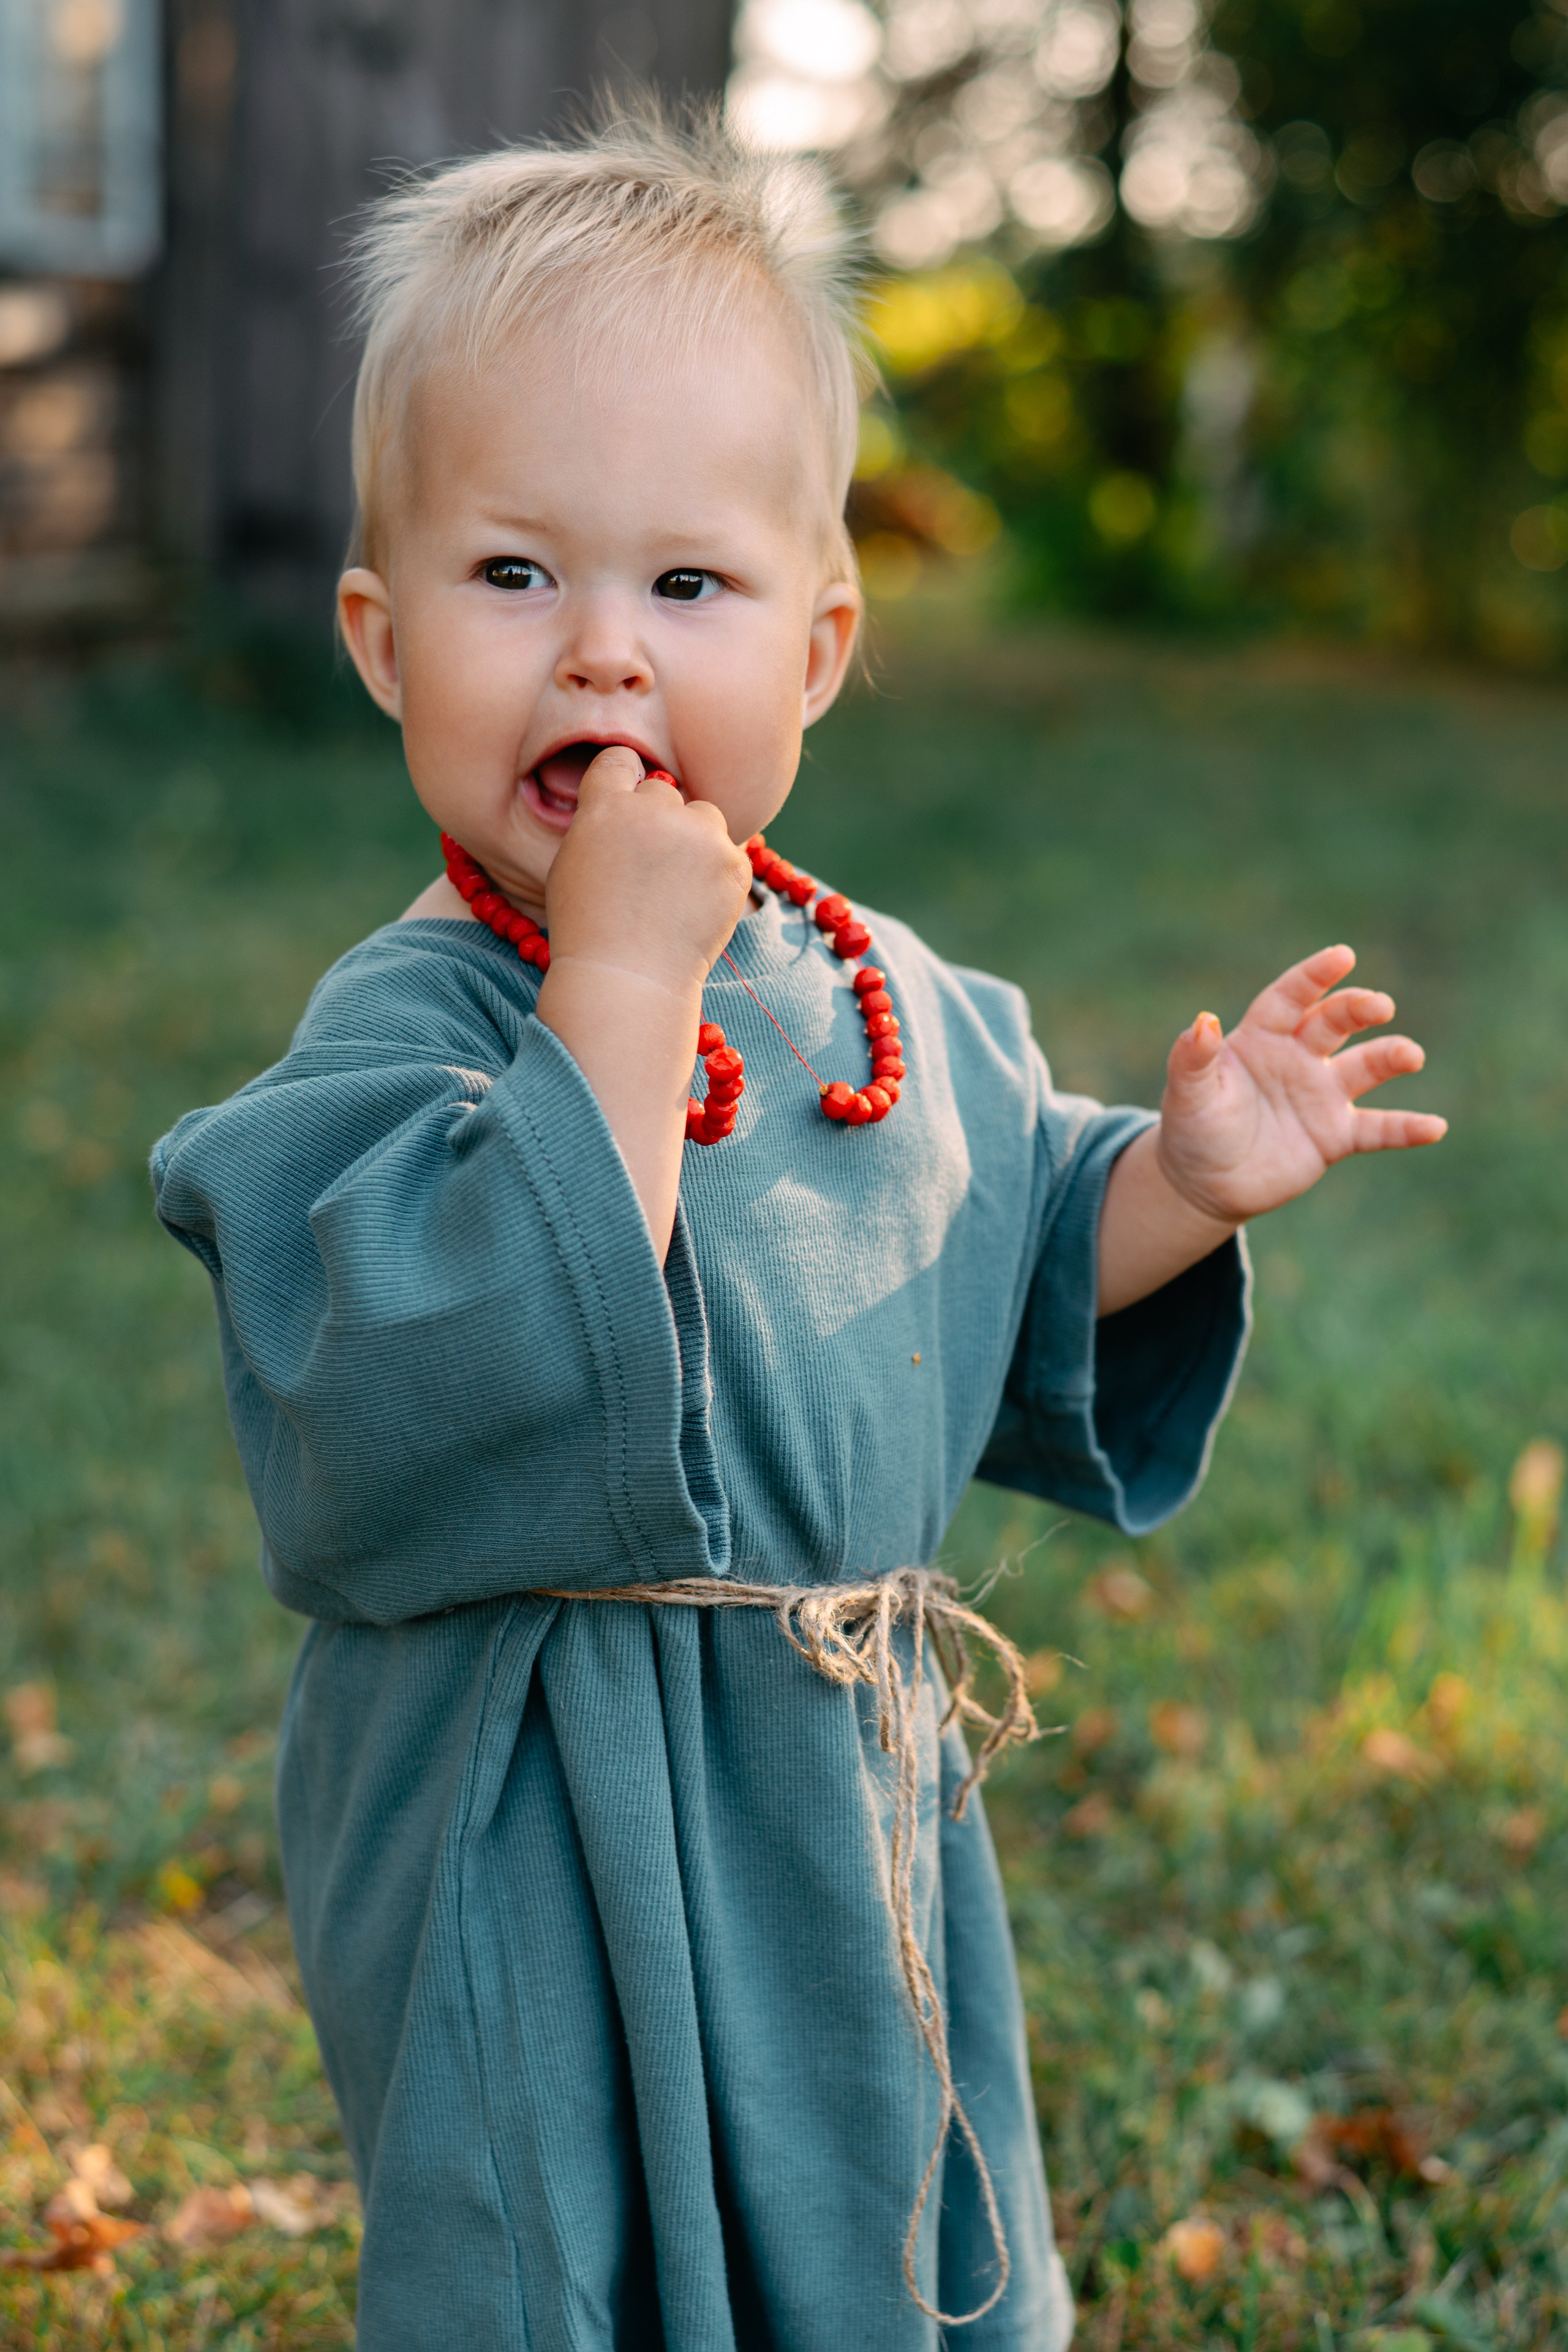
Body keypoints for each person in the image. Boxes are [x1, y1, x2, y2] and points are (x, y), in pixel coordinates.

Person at [149, 105, 1445, 2352]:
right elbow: (381, 1385)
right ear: (381, 638)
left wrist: (1169, 1184)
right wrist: (621, 992)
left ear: (821, 648)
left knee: (870, 2186)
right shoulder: (410, 1028)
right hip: (527, 1797)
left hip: (836, 1791)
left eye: (688, 585)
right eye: (514, 576)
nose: (606, 659)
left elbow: (1001, 1260)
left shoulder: (892, 1008)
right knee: (556, 2236)